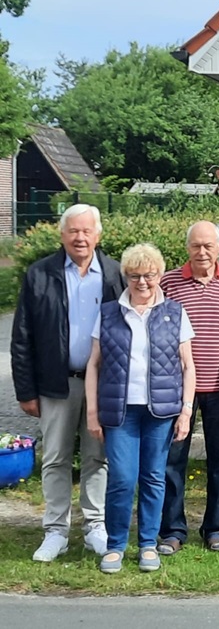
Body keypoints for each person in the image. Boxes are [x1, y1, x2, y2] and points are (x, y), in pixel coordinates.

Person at [10, 204, 125, 562]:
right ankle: (55, 530)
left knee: (98, 458)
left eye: (86, 230)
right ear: (62, 235)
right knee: (56, 458)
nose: (80, 237)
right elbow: (22, 336)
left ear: (98, 235)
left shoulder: (114, 274)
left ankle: (95, 527)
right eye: (73, 231)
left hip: (101, 385)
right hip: (55, 384)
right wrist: (26, 389)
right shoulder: (39, 274)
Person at [85, 243, 196, 574]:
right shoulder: (108, 313)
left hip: (161, 412)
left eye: (149, 275)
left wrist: (186, 410)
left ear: (159, 275)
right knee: (121, 478)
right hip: (121, 412)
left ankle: (148, 543)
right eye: (135, 276)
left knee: (153, 477)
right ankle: (116, 545)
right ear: (126, 277)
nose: (143, 282)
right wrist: (92, 412)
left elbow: (188, 366)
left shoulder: (175, 313)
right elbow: (94, 365)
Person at [158, 221, 219, 555]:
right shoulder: (168, 283)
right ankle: (173, 530)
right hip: (178, 389)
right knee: (173, 460)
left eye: (209, 246)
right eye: (196, 245)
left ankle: (215, 527)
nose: (202, 252)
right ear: (187, 248)